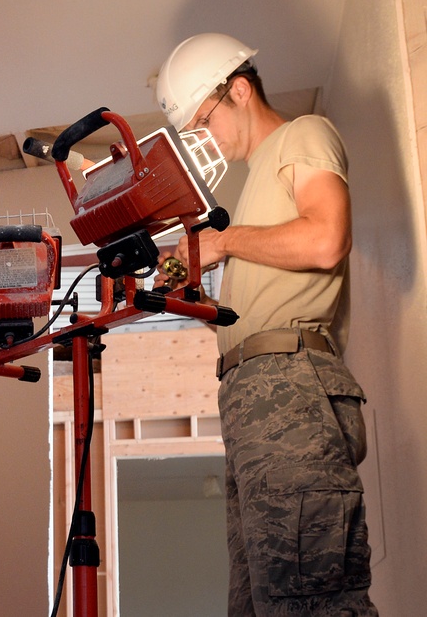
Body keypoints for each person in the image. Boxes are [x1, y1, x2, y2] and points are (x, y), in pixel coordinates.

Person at [154, 34, 377, 615]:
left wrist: (223, 243)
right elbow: (249, 322)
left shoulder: (303, 134)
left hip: (290, 390)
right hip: (254, 396)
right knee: (260, 603)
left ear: (241, 90)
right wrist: (189, 297)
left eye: (205, 120)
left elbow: (327, 239)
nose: (205, 136)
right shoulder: (250, 189)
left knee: (311, 599)